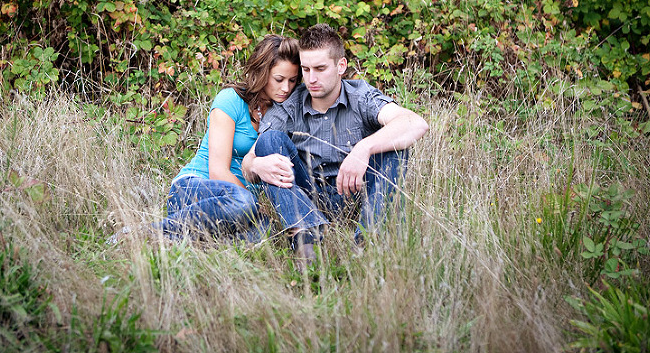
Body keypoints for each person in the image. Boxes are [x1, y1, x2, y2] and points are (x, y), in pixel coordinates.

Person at [242, 24, 429, 264]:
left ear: (341, 66)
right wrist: (255, 165)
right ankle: (306, 240)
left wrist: (363, 149)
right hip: (307, 196)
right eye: (306, 69)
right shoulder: (290, 106)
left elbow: (415, 123)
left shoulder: (360, 96)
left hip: (355, 193)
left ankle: (367, 243)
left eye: (320, 69)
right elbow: (250, 159)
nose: (311, 79)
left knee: (395, 146)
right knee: (269, 141)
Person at [107, 35, 300, 245]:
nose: (286, 88)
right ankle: (139, 234)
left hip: (237, 209)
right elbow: (218, 171)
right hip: (196, 189)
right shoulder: (231, 100)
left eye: (292, 80)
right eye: (279, 79)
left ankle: (185, 241)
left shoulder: (283, 113)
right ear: (262, 73)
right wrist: (254, 205)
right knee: (243, 203)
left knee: (268, 233)